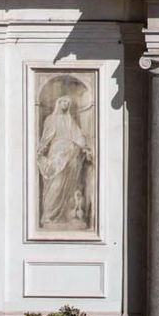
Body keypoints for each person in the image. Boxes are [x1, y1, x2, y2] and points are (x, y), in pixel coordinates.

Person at [37, 85, 92, 231]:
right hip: (56, 154)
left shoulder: (70, 120)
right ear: (58, 103)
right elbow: (46, 138)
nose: (65, 104)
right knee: (55, 184)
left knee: (69, 186)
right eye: (63, 102)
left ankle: (65, 215)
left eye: (68, 102)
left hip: (70, 154)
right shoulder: (50, 119)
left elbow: (78, 136)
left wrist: (85, 147)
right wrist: (41, 149)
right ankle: (48, 215)